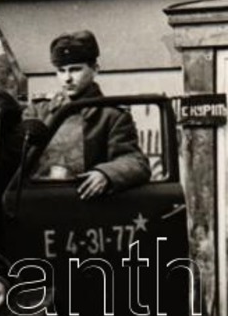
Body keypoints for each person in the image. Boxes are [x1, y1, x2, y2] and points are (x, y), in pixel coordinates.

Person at [24, 30, 150, 199]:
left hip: (84, 201)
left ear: (95, 69)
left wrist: (106, 174)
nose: (67, 78)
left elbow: (135, 161)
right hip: (39, 199)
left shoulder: (111, 115)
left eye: (75, 70)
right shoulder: (39, 111)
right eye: (61, 70)